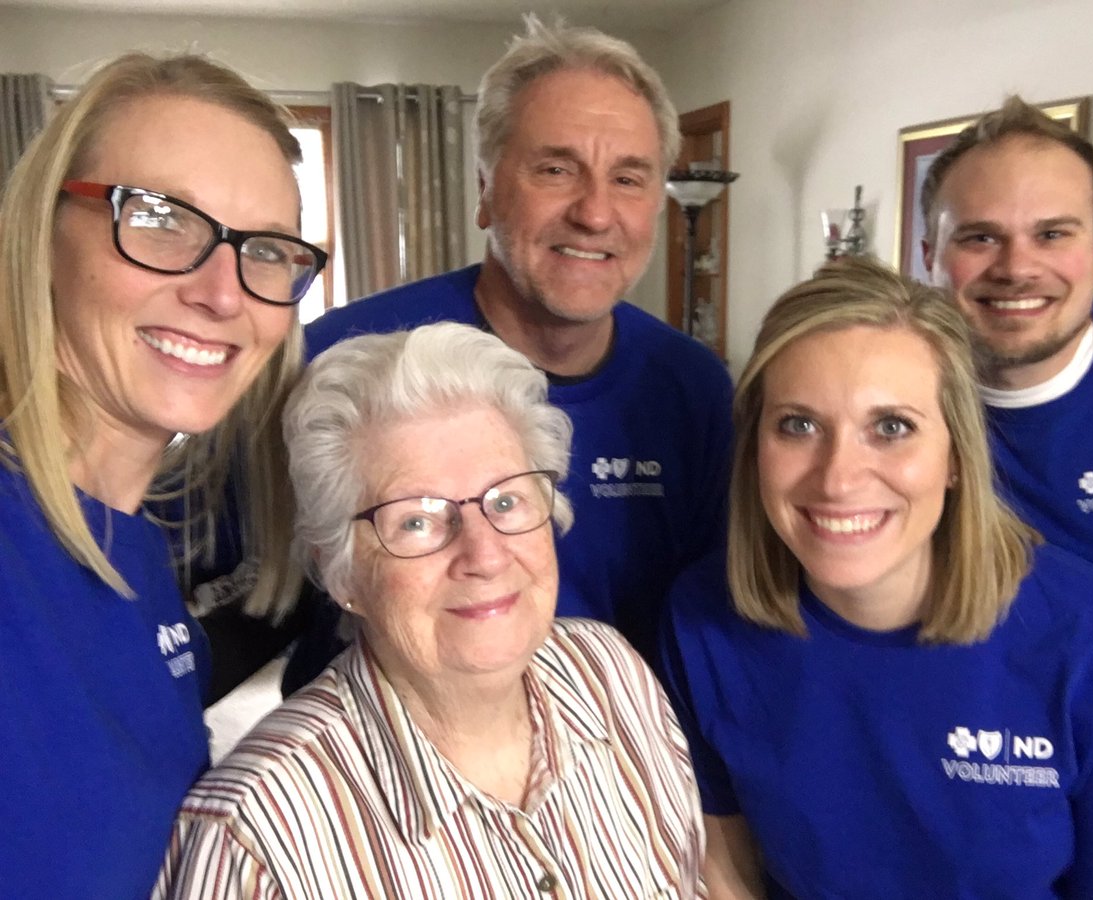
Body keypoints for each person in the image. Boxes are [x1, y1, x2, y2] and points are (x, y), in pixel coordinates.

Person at [660, 257, 1093, 898]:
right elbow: (725, 861)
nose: (838, 478)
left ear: (954, 455)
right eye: (798, 425)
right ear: (755, 446)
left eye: (892, 428)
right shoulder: (701, 619)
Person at [154, 323, 705, 898]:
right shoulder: (255, 839)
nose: (484, 554)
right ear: (342, 572)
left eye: (507, 499)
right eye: (415, 520)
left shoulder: (612, 674)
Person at [284, 15, 732, 688]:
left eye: (631, 178)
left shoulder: (693, 389)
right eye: (556, 168)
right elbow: (235, 590)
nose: (595, 212)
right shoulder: (342, 360)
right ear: (485, 190)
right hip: (380, 768)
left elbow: (713, 628)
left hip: (617, 762)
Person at [0, 53, 325, 898]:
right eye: (160, 218)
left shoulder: (134, 544)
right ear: (42, 233)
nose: (223, 293)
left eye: (267, 250)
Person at [921, 96, 1093, 743]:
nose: (1017, 268)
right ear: (932, 252)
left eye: (1052, 234)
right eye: (980, 237)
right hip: (975, 768)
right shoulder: (897, 394)